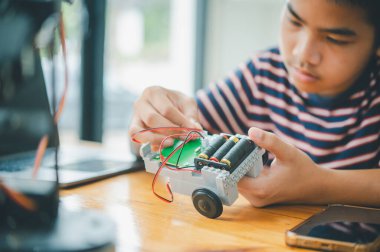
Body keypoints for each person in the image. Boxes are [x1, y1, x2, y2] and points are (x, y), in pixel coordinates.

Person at [129, 0, 380, 207]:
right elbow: (157, 142)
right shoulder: (262, 75)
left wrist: (319, 185)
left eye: (335, 38)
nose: (303, 54)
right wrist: (149, 123)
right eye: (295, 21)